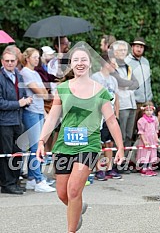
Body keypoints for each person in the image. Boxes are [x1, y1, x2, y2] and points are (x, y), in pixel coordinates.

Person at [36, 46, 124, 232]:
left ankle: (71, 230)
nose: (80, 63)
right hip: (64, 146)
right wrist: (42, 141)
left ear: (90, 63)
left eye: (84, 59)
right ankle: (77, 211)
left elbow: (112, 122)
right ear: (71, 64)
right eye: (76, 60)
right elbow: (52, 117)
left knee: (74, 190)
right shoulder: (62, 89)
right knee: (62, 193)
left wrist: (121, 148)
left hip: (89, 146)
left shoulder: (100, 91)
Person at [20, 47, 56, 193]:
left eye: (38, 57)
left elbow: (45, 93)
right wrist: (44, 92)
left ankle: (32, 179)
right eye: (34, 57)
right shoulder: (25, 73)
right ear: (27, 58)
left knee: (37, 145)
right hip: (31, 112)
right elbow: (42, 92)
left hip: (39, 110)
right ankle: (39, 179)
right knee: (36, 147)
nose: (37, 59)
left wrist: (44, 92)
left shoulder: (35, 73)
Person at [0, 48, 32, 194]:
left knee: (18, 152)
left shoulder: (18, 75)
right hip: (5, 122)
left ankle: (15, 181)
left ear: (16, 61)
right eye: (7, 61)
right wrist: (18, 104)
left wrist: (27, 101)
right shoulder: (0, 77)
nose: (10, 63)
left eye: (12, 61)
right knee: (6, 154)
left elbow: (23, 93)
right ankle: (7, 184)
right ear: (2, 62)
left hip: (18, 120)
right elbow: (1, 103)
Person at [91, 53, 121, 180]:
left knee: (109, 142)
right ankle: (99, 168)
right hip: (99, 115)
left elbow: (116, 97)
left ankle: (109, 167)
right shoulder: (95, 77)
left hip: (110, 115)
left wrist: (116, 114)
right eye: (113, 63)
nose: (115, 66)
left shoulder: (113, 80)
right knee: (99, 143)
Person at [124, 37, 153, 141]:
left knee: (147, 130)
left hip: (147, 101)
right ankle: (126, 155)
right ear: (132, 47)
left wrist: (149, 98)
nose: (139, 49)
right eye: (137, 46)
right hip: (133, 101)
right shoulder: (126, 61)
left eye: (141, 47)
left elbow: (148, 81)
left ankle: (141, 155)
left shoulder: (146, 62)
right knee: (130, 130)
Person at [136, 102, 159, 176]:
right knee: (145, 153)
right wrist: (144, 141)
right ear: (144, 111)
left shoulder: (155, 119)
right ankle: (144, 168)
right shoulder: (141, 120)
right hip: (145, 140)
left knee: (152, 153)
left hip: (152, 140)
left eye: (150, 110)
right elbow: (141, 132)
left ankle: (150, 167)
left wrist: (157, 138)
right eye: (147, 110)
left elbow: (155, 130)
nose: (149, 112)